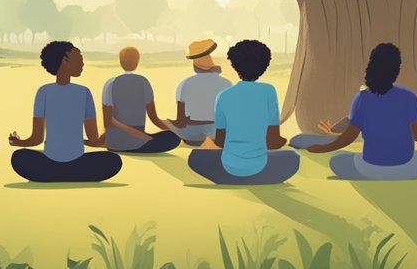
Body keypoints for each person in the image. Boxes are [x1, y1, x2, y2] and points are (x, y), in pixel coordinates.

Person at [308, 43, 417, 180]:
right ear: (396, 70)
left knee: (336, 161)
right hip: (407, 169)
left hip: (371, 168)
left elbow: (348, 138)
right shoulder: (410, 97)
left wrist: (322, 148)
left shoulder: (361, 98)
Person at [187, 40, 300, 185]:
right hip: (261, 166)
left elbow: (221, 142)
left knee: (195, 157)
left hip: (229, 165)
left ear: (235, 66)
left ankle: (232, 178)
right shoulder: (268, 91)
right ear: (264, 66)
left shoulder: (223, 95)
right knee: (293, 157)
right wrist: (284, 142)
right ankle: (257, 178)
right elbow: (272, 142)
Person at [9, 42, 122, 183]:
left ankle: (54, 175)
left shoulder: (43, 92)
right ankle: (74, 175)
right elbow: (93, 139)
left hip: (48, 165)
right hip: (78, 164)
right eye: (79, 57)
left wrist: (18, 142)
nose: (82, 63)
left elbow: (36, 139)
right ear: (65, 60)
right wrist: (108, 139)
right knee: (113, 160)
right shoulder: (84, 93)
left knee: (19, 157)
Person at [102, 46, 181, 154]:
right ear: (137, 61)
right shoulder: (143, 82)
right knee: (173, 138)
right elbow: (108, 121)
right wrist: (137, 134)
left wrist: (173, 129)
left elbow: (108, 121)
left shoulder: (110, 83)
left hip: (116, 141)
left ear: (120, 61)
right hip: (131, 140)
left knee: (172, 135)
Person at [171, 39, 232, 146]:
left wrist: (168, 123)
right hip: (218, 135)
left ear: (195, 67)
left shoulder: (185, 84)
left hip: (191, 136)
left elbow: (180, 121)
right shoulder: (227, 84)